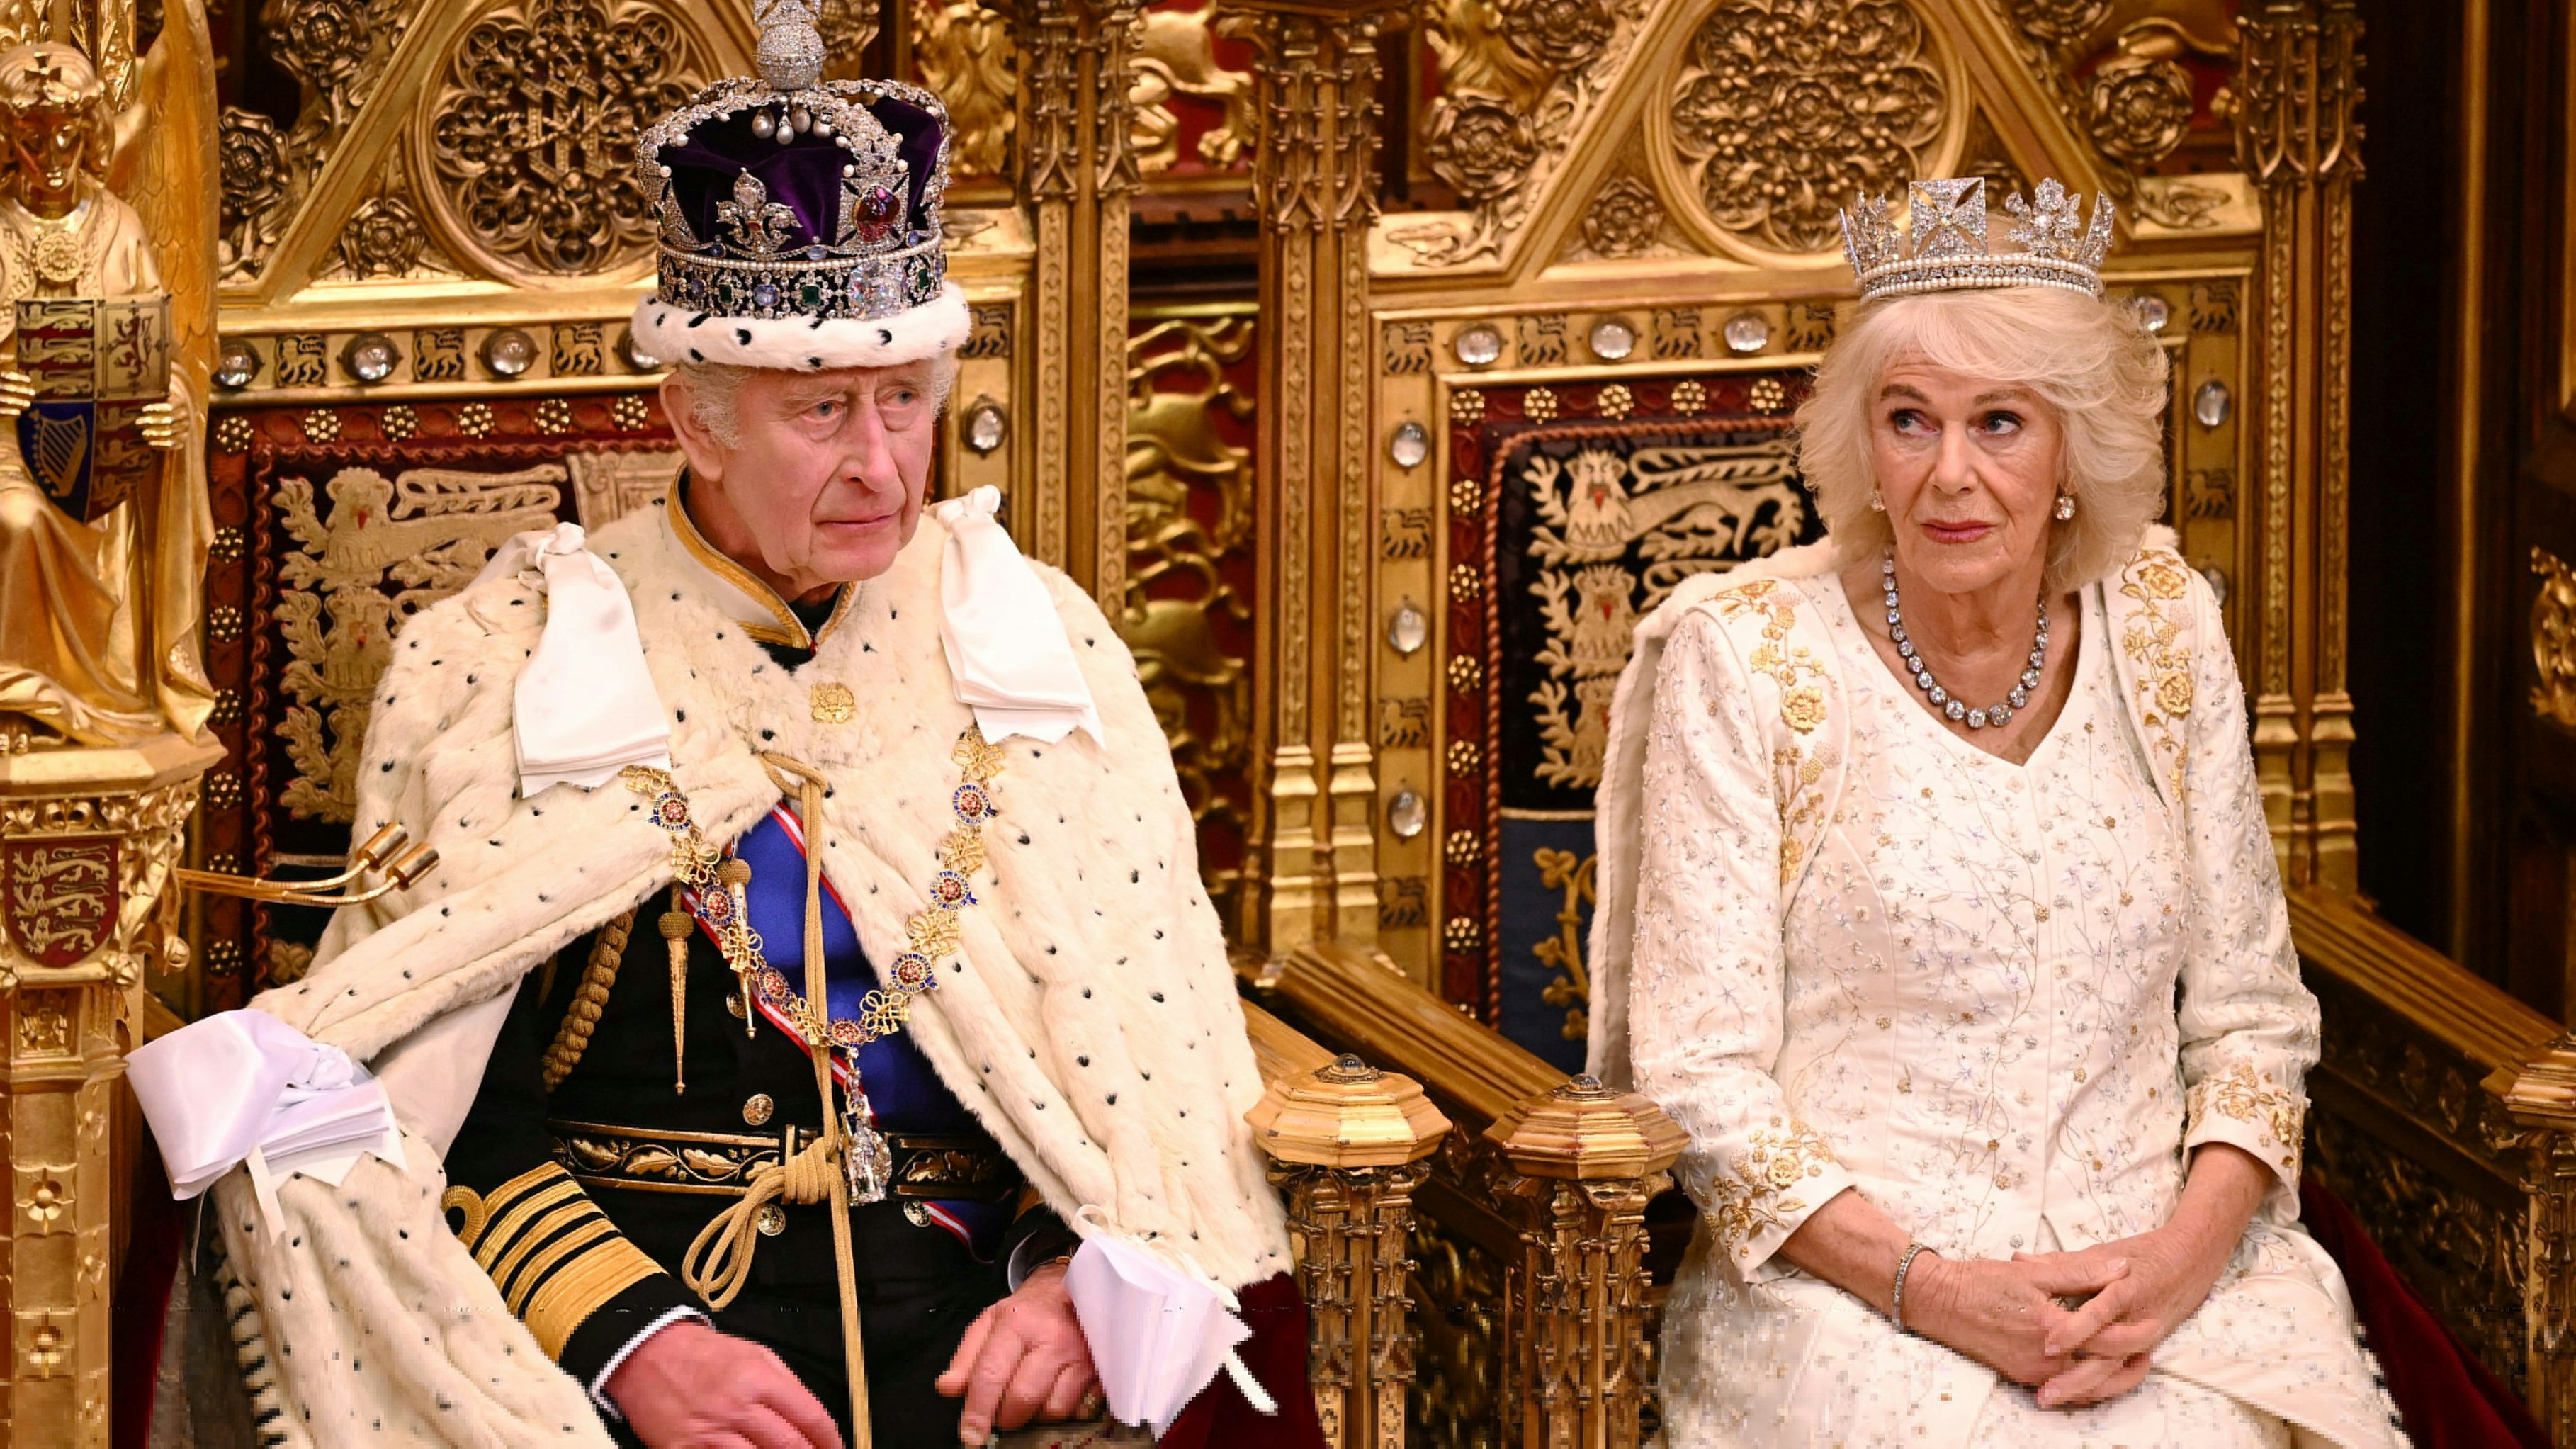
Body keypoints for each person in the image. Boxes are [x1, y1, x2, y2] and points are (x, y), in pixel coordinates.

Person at [136, 6, 1319, 1447]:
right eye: (821, 413)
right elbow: (429, 1100)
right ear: (696, 424)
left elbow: (1143, 1056)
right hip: (632, 1367)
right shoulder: (507, 659)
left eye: (904, 399)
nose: (882, 463)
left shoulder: (1037, 646)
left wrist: (1082, 1276)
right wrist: (634, 1345)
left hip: (986, 1355)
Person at [1586, 178, 2405, 1448]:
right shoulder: (1745, 661)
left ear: (2074, 449)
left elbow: (2252, 1019)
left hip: (2169, 1287)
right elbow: (1701, 1079)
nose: (1950, 475)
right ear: (1865, 440)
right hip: (1852, 1301)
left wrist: (2176, 1267)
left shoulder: (2167, 628)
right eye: (1910, 421)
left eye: (2001, 422)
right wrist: (1944, 1292)